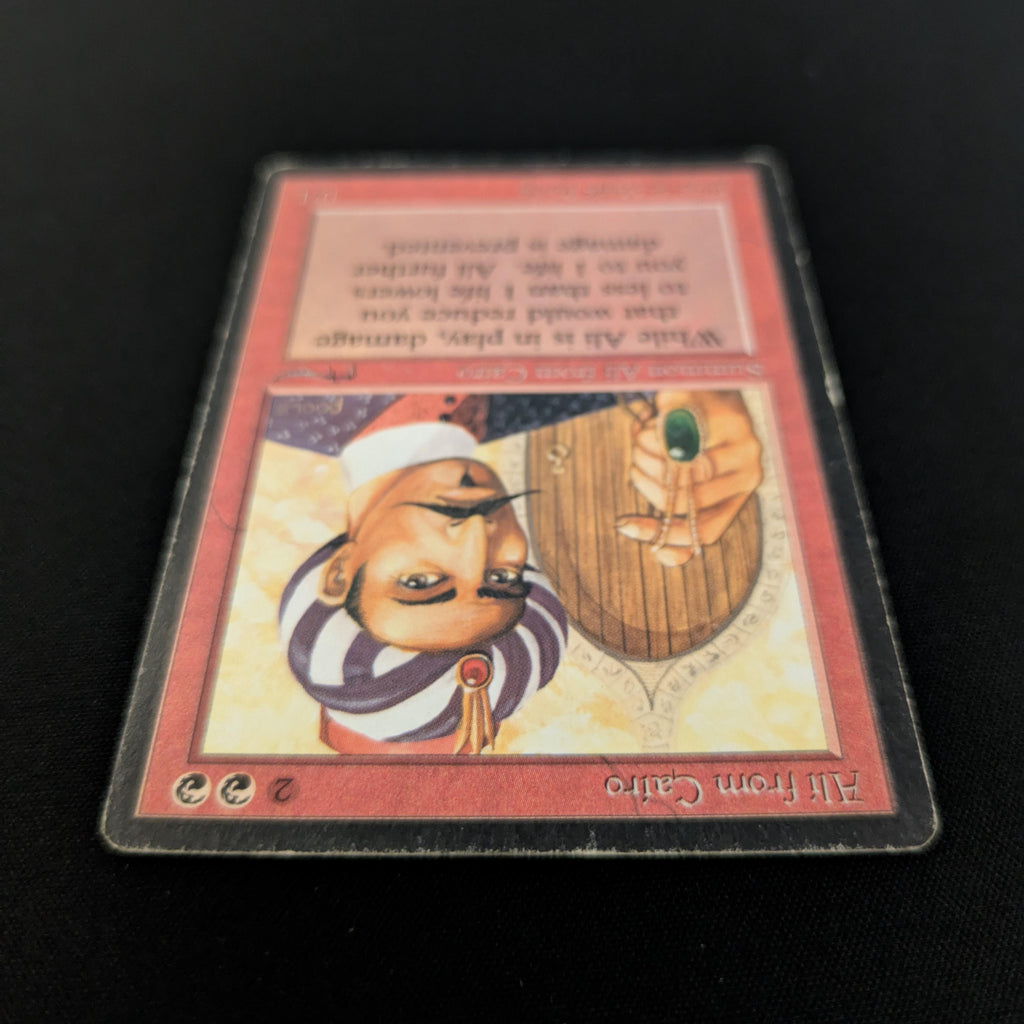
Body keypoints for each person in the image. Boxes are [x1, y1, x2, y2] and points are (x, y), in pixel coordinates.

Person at [278, 389, 761, 754]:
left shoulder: (292, 404)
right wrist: (696, 388)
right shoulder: (540, 406)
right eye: (502, 581)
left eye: (420, 583)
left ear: (340, 572)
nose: (477, 534)